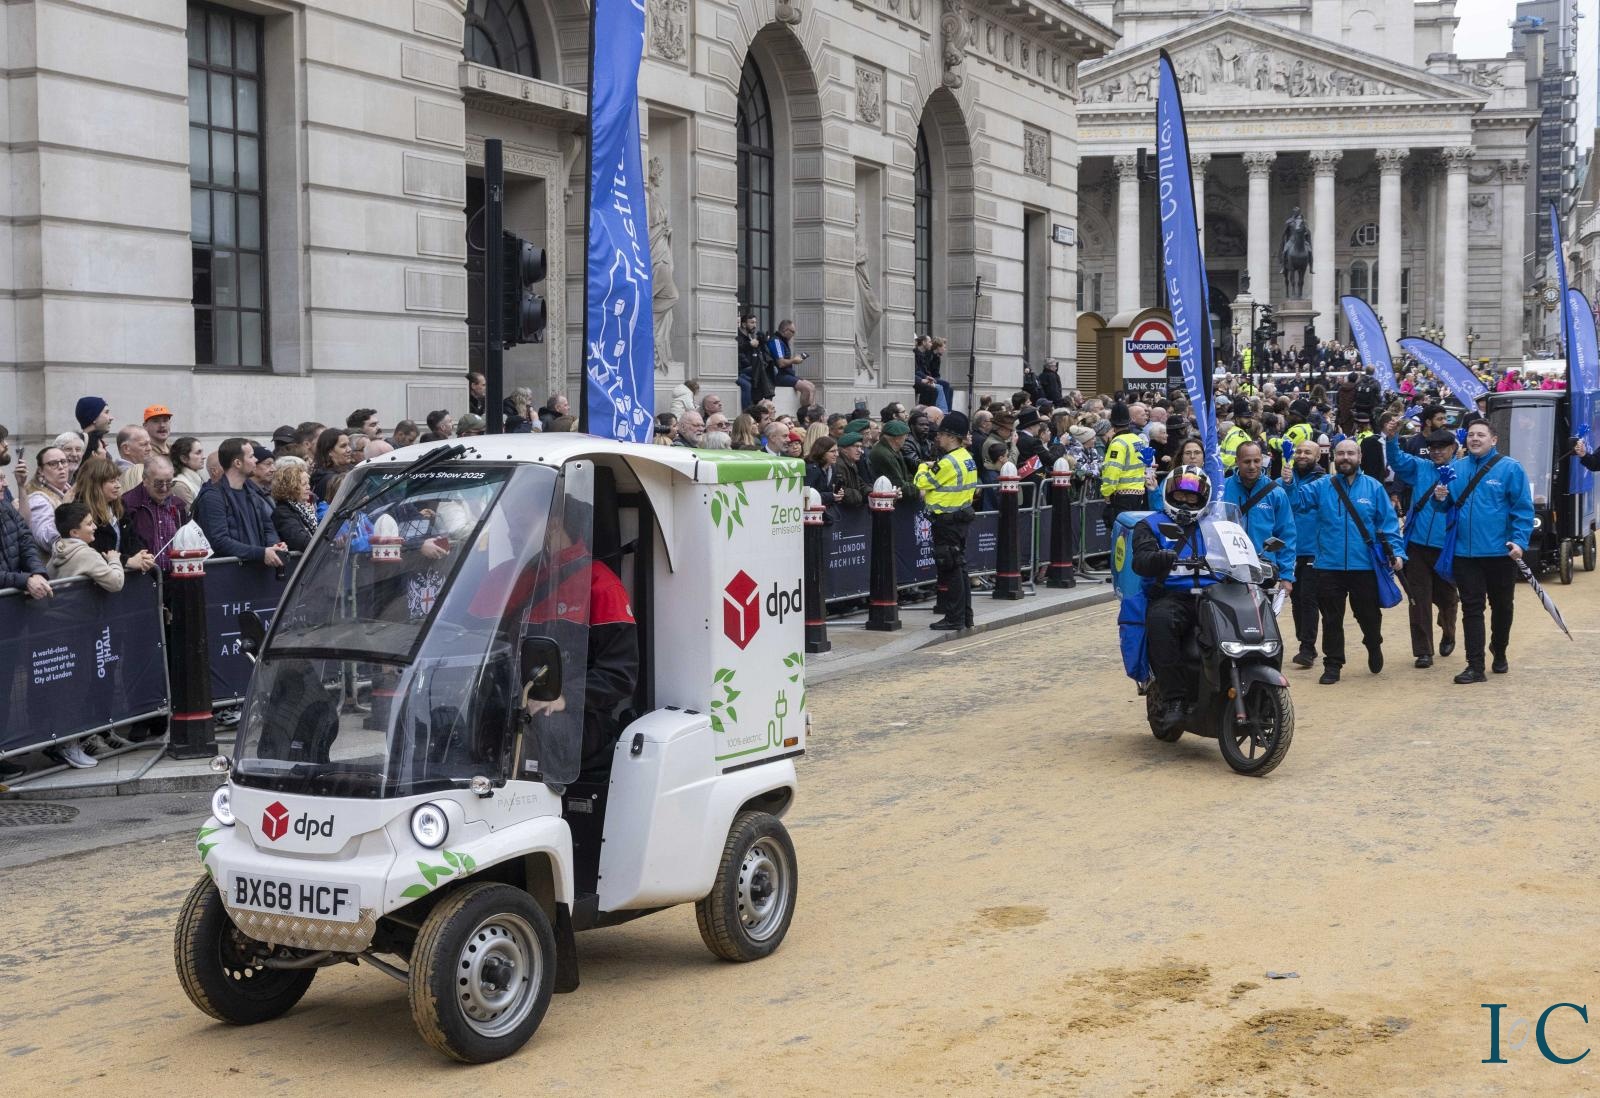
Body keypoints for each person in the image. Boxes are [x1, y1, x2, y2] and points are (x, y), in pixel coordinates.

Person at [1288, 438, 1404, 684]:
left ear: (1359, 457)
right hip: (1328, 566)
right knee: (1331, 618)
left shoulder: (1373, 487)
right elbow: (1297, 502)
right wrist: (1288, 483)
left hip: (1364, 566)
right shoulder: (1322, 486)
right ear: (1334, 458)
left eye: (1350, 453)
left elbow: (1388, 524)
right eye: (1340, 453)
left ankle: (1373, 643)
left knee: (1368, 615)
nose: (1345, 458)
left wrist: (1397, 553)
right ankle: (1333, 664)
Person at [1436, 419, 1533, 683]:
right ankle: (1475, 666)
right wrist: (1440, 497)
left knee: (1502, 606)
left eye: (1481, 435)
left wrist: (1519, 541)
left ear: (1494, 439)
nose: (1475, 439)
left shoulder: (1510, 468)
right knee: (1472, 608)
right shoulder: (1455, 468)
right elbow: (1444, 508)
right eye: (1471, 435)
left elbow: (1523, 509)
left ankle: (1499, 650)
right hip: (1465, 555)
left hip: (1500, 554)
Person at [1131, 466, 1218, 729]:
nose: (1185, 502)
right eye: (1179, 495)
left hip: (1214, 595)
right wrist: (1159, 557)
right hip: (1173, 596)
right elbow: (1140, 560)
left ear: (1203, 499)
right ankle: (1175, 699)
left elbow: (1237, 551)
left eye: (1192, 497)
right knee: (1160, 621)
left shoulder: (1215, 526)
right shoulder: (1150, 525)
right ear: (1168, 494)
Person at [1383, 422, 1460, 668]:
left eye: (1442, 448)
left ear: (1453, 448)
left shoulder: (1462, 471)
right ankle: (1423, 650)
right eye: (1433, 448)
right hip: (1416, 545)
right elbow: (1397, 461)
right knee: (1418, 600)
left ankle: (1448, 630)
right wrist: (1392, 439)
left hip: (1446, 548)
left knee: (1447, 599)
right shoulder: (1420, 467)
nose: (1437, 452)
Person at [914, 412, 978, 631]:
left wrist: (923, 466)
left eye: (941, 434)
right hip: (960, 518)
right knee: (959, 567)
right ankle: (965, 616)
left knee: (950, 569)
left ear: (951, 437)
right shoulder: (966, 457)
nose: (937, 438)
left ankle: (954, 617)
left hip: (946, 521)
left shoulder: (948, 462)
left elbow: (921, 482)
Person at [193, 438, 286, 568]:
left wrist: (274, 546)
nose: (255, 460)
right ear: (237, 463)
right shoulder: (212, 497)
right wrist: (260, 553)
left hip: (256, 573)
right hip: (230, 574)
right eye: (251, 456)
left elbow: (268, 528)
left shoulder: (253, 493)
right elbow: (219, 541)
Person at [1219, 441, 1296, 592]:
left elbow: (1286, 535)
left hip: (1264, 570)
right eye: (1247, 461)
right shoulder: (1222, 490)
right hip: (1227, 570)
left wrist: (1286, 576)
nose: (1252, 466)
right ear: (1237, 461)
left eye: (1256, 461)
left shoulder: (1276, 493)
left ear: (1262, 460)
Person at [1282, 439, 1326, 667]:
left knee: (1308, 598)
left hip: (1313, 550)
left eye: (1308, 452)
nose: (1301, 455)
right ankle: (1305, 642)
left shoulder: (1324, 482)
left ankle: (1307, 647)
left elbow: (1300, 502)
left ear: (1317, 457)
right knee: (1296, 599)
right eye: (1298, 451)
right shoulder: (1283, 479)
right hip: (1289, 550)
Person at [120, 455, 187, 573]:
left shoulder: (178, 505)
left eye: (169, 483)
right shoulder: (128, 504)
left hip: (176, 577)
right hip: (144, 578)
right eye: (159, 483)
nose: (164, 488)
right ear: (145, 480)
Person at [49, 501, 126, 593]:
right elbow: (116, 583)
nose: (95, 527)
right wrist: (114, 560)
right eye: (89, 524)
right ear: (74, 532)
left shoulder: (57, 550)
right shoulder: (88, 555)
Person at [1101, 403, 1151, 520]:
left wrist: (1107, 492)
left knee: (1119, 528)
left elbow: (1113, 469)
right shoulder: (1138, 440)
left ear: (1112, 423)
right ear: (1129, 421)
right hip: (1139, 493)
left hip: (1122, 495)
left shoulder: (1118, 443)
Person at [24, 446, 72, 554]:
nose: (61, 467)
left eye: (63, 462)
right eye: (53, 464)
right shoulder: (38, 500)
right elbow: (45, 539)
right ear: (41, 471)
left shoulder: (70, 493)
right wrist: (66, 509)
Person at [763, 320, 818, 404]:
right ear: (785, 330)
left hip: (786, 374)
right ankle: (805, 411)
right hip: (778, 376)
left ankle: (812, 411)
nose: (793, 335)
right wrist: (794, 360)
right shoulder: (776, 341)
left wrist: (794, 359)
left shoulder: (783, 341)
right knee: (807, 389)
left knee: (812, 387)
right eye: (792, 332)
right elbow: (781, 363)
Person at [270, 462, 319, 553]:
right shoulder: (283, 512)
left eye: (308, 483)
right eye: (304, 484)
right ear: (290, 488)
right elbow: (301, 542)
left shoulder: (304, 509)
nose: (308, 487)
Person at [311, 428, 354, 501]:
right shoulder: (327, 480)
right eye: (343, 446)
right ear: (330, 452)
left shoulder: (351, 468)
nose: (349, 449)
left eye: (348, 445)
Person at [170, 436, 206, 506]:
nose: (203, 457)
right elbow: (191, 512)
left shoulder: (198, 479)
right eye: (198, 453)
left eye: (202, 452)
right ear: (184, 459)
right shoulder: (180, 485)